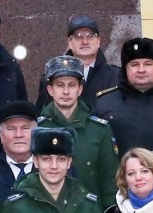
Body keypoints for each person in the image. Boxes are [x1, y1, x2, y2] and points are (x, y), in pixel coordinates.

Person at [37, 54, 119, 205]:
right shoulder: (38, 129)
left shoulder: (99, 130)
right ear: (50, 89)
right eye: (60, 85)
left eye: (72, 85)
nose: (66, 91)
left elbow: (109, 182)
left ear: (80, 89)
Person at [94, 37, 153, 153]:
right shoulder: (105, 103)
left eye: (148, 64)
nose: (141, 70)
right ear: (125, 68)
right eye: (134, 64)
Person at [33, 15, 119, 106]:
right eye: (78, 36)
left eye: (90, 36)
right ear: (70, 42)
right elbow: (42, 113)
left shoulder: (115, 76)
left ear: (98, 41)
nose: (85, 42)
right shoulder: (51, 77)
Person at [0, 101, 38, 200]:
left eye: (25, 128)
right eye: (11, 129)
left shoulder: (53, 166)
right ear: (1, 135)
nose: (19, 135)